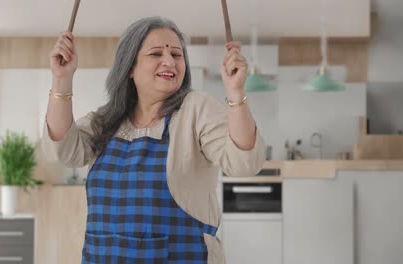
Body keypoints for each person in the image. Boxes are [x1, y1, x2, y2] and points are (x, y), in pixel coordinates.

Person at [42, 16, 265, 264]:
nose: (169, 61)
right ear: (130, 67)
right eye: (156, 53)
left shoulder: (196, 108)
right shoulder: (107, 119)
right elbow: (62, 150)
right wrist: (61, 79)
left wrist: (235, 92)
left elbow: (245, 162)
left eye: (177, 55)